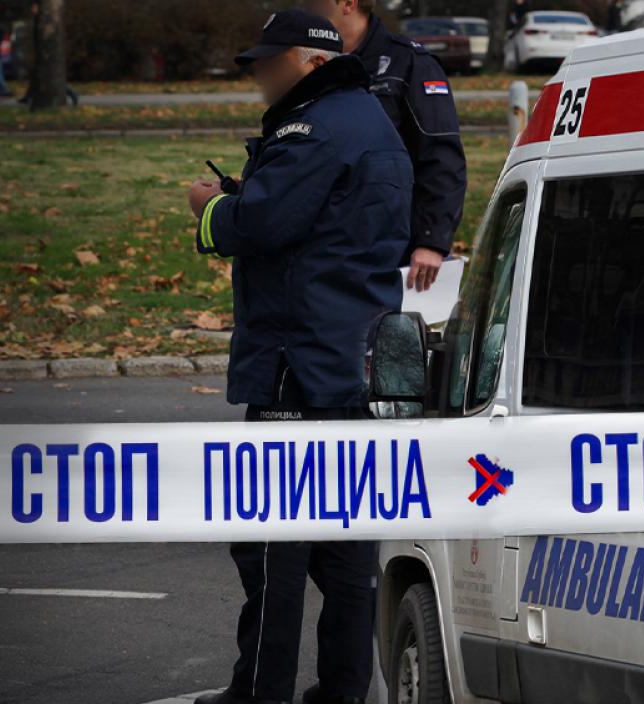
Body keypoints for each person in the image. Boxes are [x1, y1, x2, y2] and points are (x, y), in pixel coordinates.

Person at [186, 10, 413, 704]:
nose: (259, 72)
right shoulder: (371, 121)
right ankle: (344, 689)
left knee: (271, 549)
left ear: (312, 62)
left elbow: (264, 223)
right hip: (355, 364)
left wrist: (210, 209)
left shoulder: (309, 130)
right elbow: (328, 225)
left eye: (270, 60)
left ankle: (262, 692)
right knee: (346, 551)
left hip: (297, 365)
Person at [303, 0, 466, 293]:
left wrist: (431, 241)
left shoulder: (409, 62)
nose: (307, 8)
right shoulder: (309, 60)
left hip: (391, 248)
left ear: (348, 4)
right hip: (325, 246)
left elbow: (441, 156)